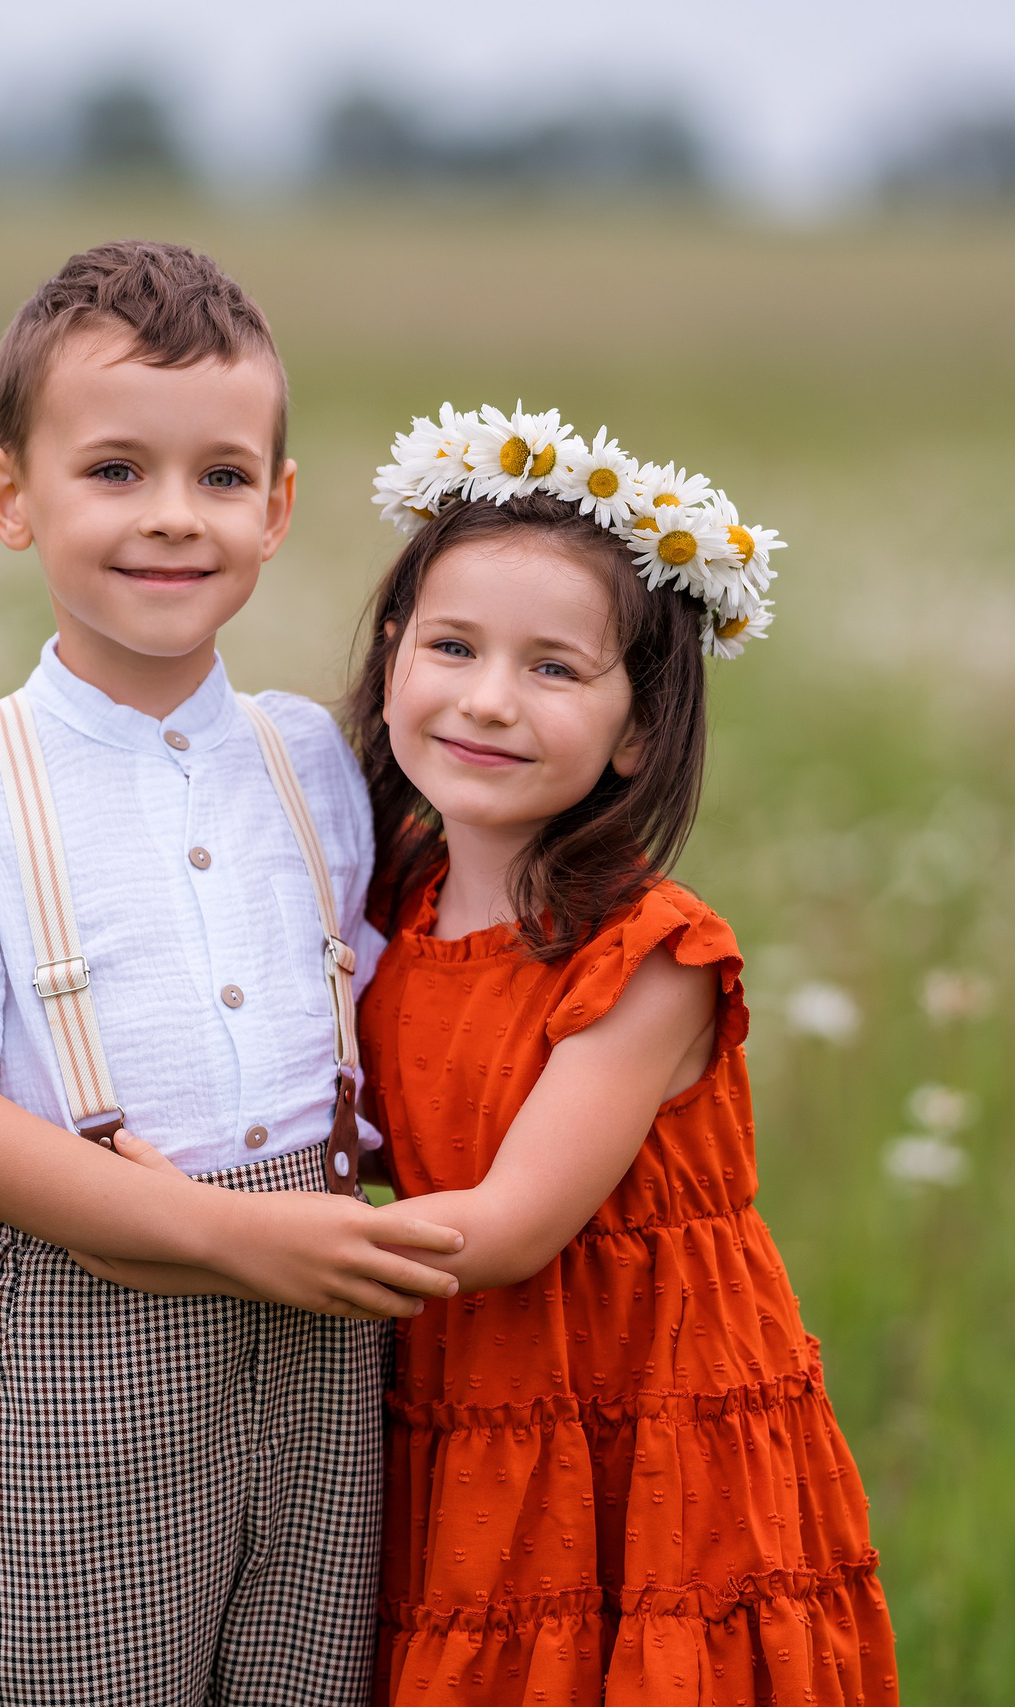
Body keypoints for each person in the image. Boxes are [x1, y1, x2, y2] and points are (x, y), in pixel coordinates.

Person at [0, 241, 465, 1707]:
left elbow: (375, 1018)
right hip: (88, 1338)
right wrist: (225, 1236)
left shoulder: (316, 756)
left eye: (223, 478)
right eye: (114, 470)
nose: (174, 519)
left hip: (324, 1346)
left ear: (281, 508)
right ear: (11, 496)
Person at [352, 406, 898, 1703]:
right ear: (390, 660)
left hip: (641, 1408)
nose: (487, 699)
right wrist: (68, 1192)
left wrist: (185, 1227)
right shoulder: (390, 904)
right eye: (453, 647)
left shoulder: (649, 957)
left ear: (638, 729)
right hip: (474, 1392)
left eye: (554, 669)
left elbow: (505, 1233)